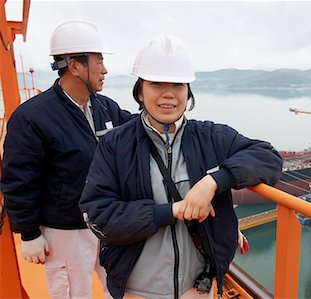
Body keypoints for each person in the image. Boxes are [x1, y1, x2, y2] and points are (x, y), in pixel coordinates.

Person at [78, 34, 283, 299]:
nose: (168, 94)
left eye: (178, 84)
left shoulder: (209, 136)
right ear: (140, 91)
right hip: (136, 291)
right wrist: (173, 210)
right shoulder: (116, 144)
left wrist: (213, 182)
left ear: (188, 91)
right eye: (156, 83)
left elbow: (269, 157)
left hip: (197, 289)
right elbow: (98, 214)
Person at [1, 20, 133, 299]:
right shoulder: (32, 118)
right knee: (74, 295)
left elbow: (135, 130)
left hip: (106, 224)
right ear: (74, 66)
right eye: (98, 61)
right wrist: (28, 233)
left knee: (121, 289)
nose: (105, 69)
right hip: (65, 232)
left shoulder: (103, 106)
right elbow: (19, 180)